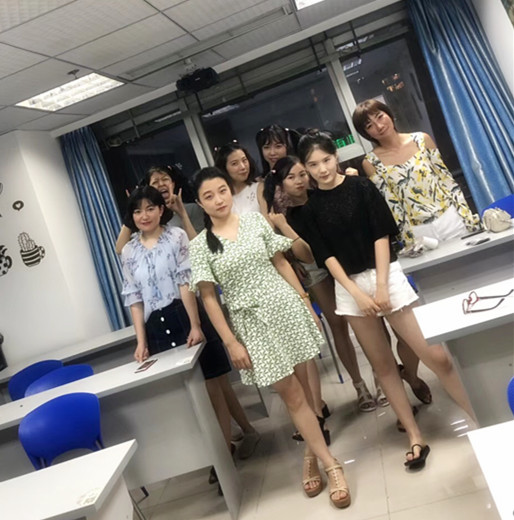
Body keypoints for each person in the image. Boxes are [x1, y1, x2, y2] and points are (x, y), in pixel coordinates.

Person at [296, 131, 477, 470]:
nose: (322, 169)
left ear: (335, 157)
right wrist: (357, 294)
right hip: (348, 287)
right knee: (383, 368)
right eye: (313, 165)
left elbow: (381, 234)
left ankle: (479, 417)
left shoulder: (361, 187)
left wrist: (380, 287)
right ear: (305, 168)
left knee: (437, 357)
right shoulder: (310, 209)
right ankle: (414, 436)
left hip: (386, 274)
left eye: (326, 160)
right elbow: (326, 256)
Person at [189, 167, 351, 508]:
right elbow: (208, 298)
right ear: (200, 204)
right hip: (251, 325)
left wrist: (305, 302)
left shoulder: (254, 222)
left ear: (229, 191)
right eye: (209, 196)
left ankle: (311, 455)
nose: (218, 200)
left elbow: (281, 263)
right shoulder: (200, 245)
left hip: (285, 308)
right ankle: (331, 465)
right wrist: (231, 341)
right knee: (292, 395)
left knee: (306, 393)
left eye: (222, 191)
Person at [120, 184, 260, 469]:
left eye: (150, 208)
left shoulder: (177, 236)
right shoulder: (129, 251)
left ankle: (223, 456)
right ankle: (212, 455)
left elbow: (186, 283)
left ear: (161, 210)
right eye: (137, 211)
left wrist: (195, 325)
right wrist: (141, 341)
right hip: (155, 325)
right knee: (185, 397)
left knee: (211, 386)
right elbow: (134, 298)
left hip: (185, 313)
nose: (144, 216)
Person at [353, 99, 480, 247]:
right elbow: (393, 206)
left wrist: (467, 217)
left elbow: (447, 181)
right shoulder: (371, 162)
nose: (379, 126)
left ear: (389, 114)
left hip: (449, 218)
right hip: (418, 231)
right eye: (369, 125)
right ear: (366, 133)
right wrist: (408, 240)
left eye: (380, 117)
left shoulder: (422, 139)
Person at [115, 165, 204, 254]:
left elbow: (199, 247)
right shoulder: (147, 217)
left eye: (165, 179)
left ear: (173, 184)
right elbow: (120, 250)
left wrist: (182, 213)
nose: (161, 184)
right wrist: (132, 208)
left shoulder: (192, 209)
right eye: (155, 182)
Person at [214, 143, 267, 215]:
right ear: (224, 168)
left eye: (244, 160)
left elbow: (269, 220)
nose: (243, 167)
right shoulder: (221, 199)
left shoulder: (259, 188)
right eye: (234, 163)